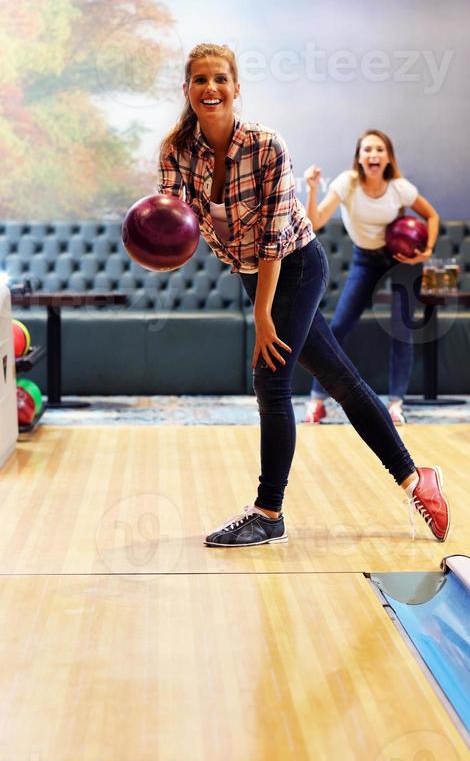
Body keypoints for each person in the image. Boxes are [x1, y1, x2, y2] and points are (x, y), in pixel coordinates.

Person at [158, 43, 449, 547]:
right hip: (254, 273)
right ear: (186, 90)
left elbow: (273, 239)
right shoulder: (177, 151)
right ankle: (415, 477)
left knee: (271, 380)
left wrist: (263, 315)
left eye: (220, 79)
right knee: (340, 378)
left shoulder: (267, 146)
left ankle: (269, 511)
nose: (211, 88)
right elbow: (174, 224)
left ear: (236, 87)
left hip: (294, 264)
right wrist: (159, 246)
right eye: (200, 80)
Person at [302, 130, 439, 425]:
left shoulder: (399, 188)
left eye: (379, 149)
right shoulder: (347, 184)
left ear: (388, 157)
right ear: (359, 158)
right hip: (366, 259)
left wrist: (425, 251)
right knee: (338, 325)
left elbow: (432, 216)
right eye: (367, 150)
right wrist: (312, 189)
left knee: (402, 329)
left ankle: (395, 404)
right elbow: (315, 222)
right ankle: (317, 400)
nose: (373, 155)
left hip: (401, 260)